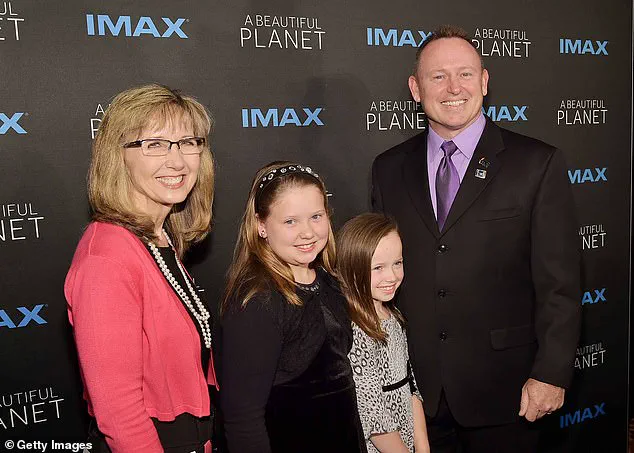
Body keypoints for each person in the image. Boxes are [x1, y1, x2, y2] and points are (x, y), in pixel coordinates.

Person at [371, 25, 581, 453]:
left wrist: (552, 373)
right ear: (415, 88)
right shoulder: (388, 169)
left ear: (484, 82)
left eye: (465, 74)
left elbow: (561, 283)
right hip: (415, 392)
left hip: (509, 392)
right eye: (437, 76)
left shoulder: (536, 164)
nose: (453, 88)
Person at [64, 84, 217, 453]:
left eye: (188, 142)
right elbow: (119, 416)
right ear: (118, 156)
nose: (177, 161)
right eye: (155, 144)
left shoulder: (160, 238)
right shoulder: (106, 258)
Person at [218, 161, 367, 453]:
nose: (307, 232)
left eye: (316, 216)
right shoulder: (256, 301)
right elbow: (242, 420)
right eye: (290, 222)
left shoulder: (328, 283)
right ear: (261, 226)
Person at [337, 213, 430, 453]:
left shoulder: (393, 316)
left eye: (397, 263)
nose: (392, 276)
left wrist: (422, 447)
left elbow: (410, 386)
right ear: (352, 268)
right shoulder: (355, 329)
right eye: (377, 267)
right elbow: (372, 414)